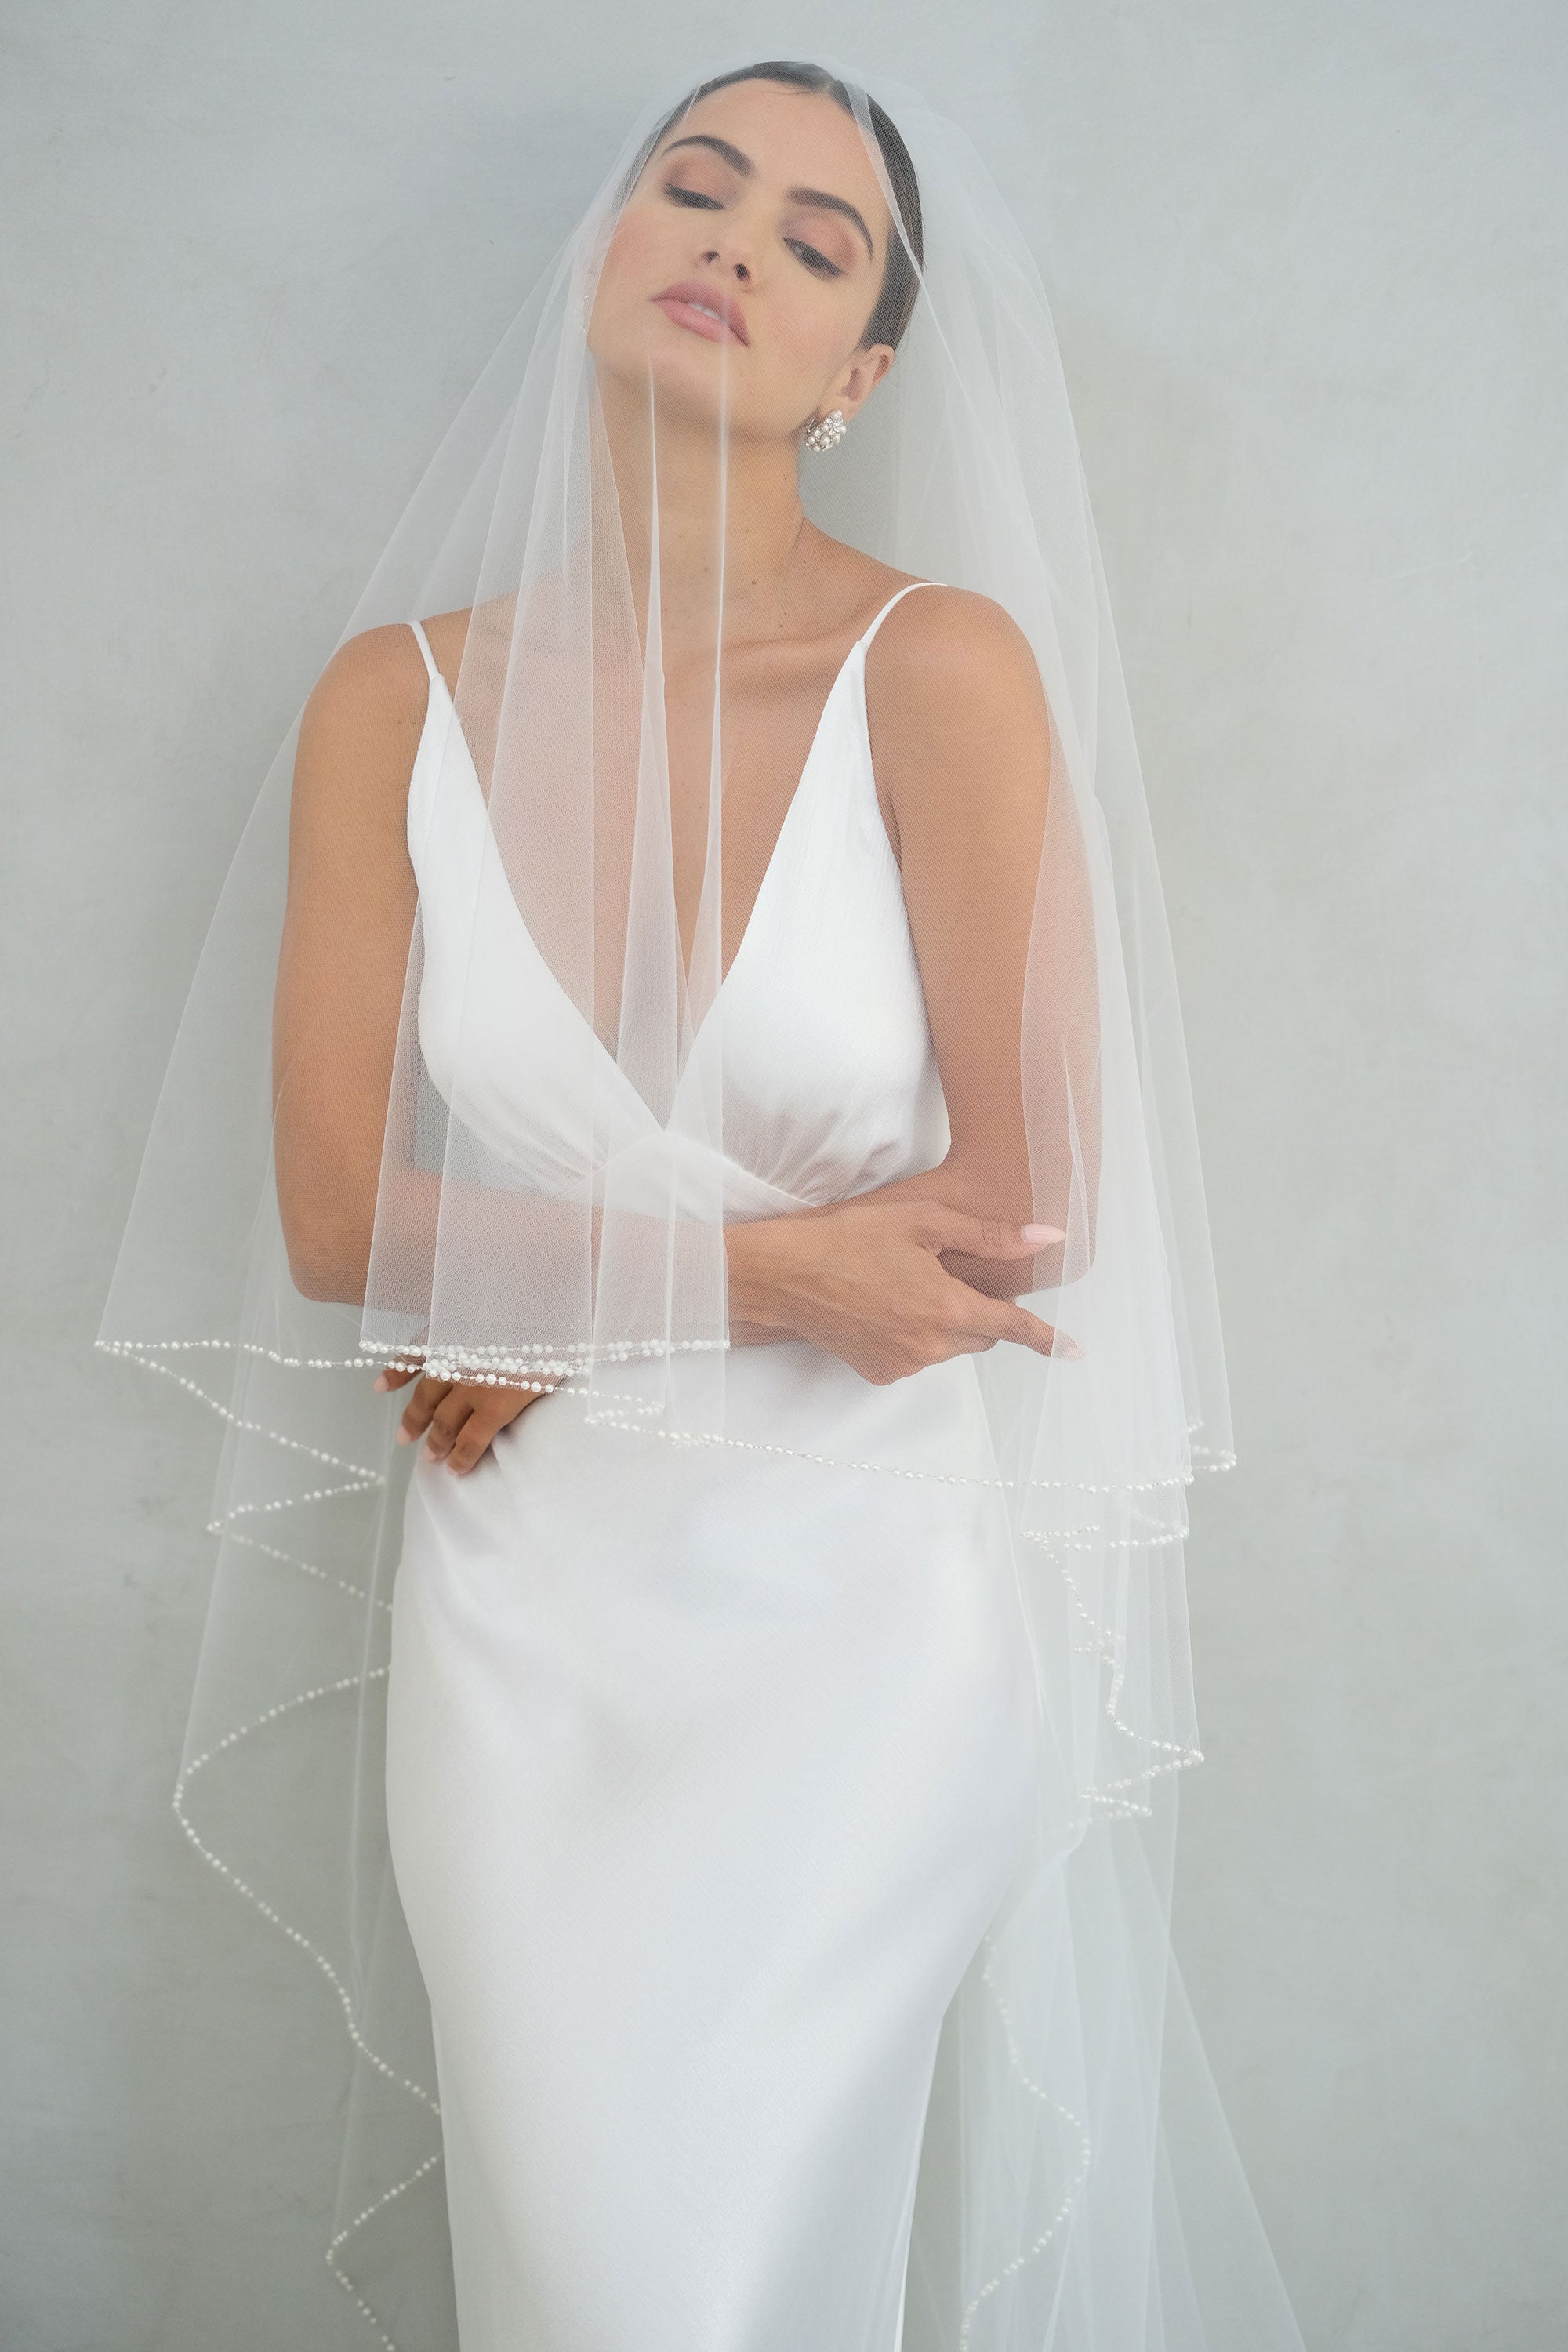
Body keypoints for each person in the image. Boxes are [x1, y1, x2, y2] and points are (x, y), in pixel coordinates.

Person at [99, 47, 1306, 2352]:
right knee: (574, 2280)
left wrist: (558, 1292)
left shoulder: (936, 668)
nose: (734, 242)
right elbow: (346, 1227)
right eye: (697, 187)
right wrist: (725, 1273)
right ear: (601, 260)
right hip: (526, 1644)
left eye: (814, 236)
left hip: (852, 1630)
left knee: (723, 2287)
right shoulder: (389, 706)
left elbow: (1006, 1228)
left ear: (856, 379)